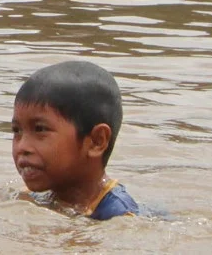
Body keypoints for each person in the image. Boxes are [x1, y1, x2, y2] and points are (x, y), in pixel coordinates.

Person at [11, 60, 138, 220]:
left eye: (40, 129)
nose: (22, 147)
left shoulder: (120, 215)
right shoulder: (33, 197)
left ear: (96, 141)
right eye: (16, 131)